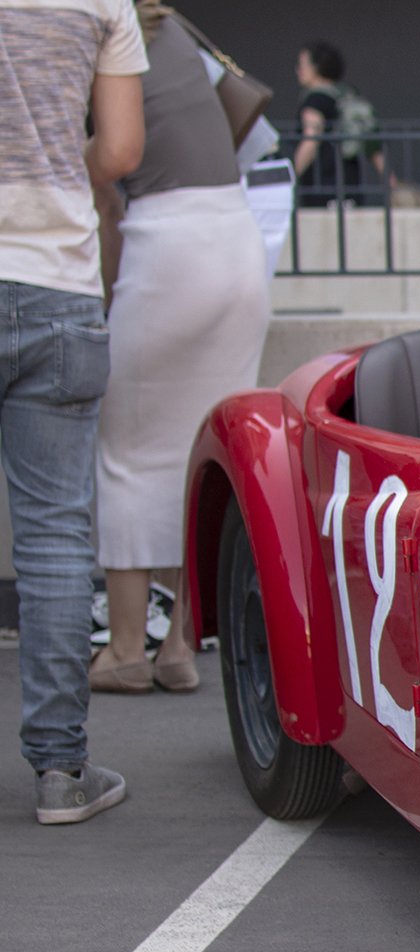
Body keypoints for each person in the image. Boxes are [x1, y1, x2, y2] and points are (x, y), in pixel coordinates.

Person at [89, 2, 269, 695]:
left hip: (167, 245)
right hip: (236, 240)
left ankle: (127, 650)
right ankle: (180, 646)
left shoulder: (97, 31)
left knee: (127, 452)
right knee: (204, 453)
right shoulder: (169, 28)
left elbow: (109, 176)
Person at [1, 0, 145, 823]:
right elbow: (121, 149)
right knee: (56, 539)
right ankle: (60, 774)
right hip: (55, 284)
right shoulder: (99, 3)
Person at [291, 40, 381, 207]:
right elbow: (373, 144)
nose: (298, 70)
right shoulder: (347, 95)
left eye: (302, 64)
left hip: (323, 185)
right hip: (350, 184)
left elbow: (311, 139)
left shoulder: (315, 99)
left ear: (316, 67)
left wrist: (289, 176)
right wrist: (391, 181)